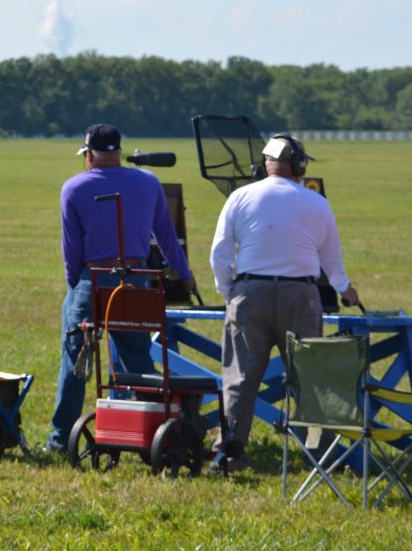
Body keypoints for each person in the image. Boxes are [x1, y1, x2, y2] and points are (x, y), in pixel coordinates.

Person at [208, 133, 358, 472]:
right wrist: (346, 289)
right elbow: (332, 261)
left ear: (266, 164)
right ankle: (318, 456)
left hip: (249, 294)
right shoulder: (316, 202)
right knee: (310, 378)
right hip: (300, 297)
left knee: (240, 378)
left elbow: (219, 253)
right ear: (299, 165)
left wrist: (230, 292)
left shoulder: (239, 196)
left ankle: (229, 451)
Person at [46, 123, 196, 453]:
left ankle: (59, 440)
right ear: (118, 151)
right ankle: (153, 433)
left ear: (88, 155)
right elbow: (166, 237)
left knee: (76, 361)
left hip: (93, 279)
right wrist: (185, 274)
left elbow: (71, 252)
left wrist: (76, 287)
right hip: (138, 280)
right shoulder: (149, 182)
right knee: (137, 359)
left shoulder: (73, 188)